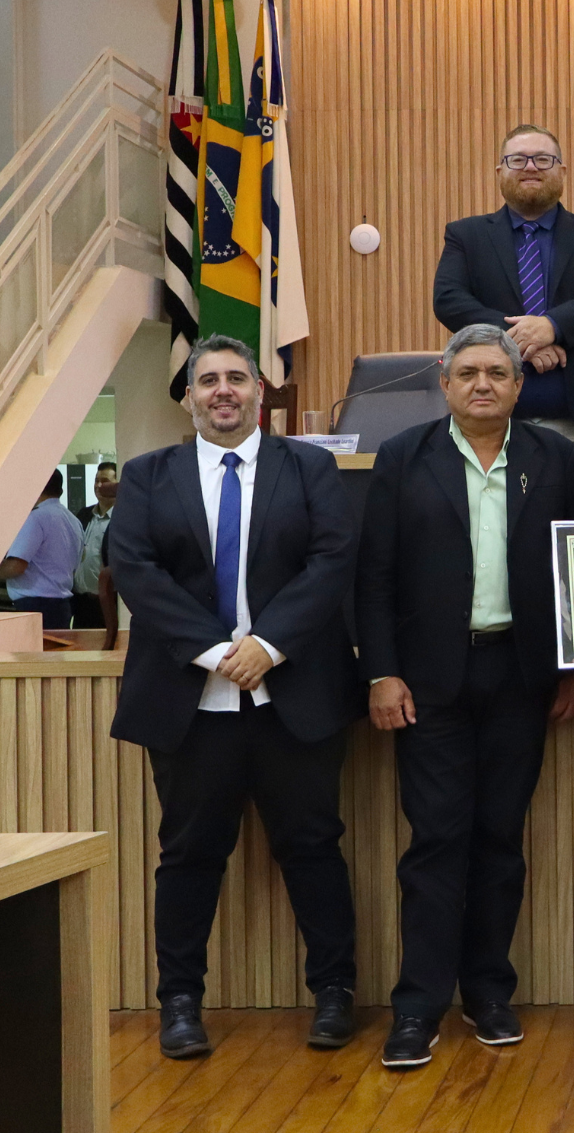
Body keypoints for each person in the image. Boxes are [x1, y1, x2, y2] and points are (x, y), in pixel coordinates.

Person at [107, 334, 363, 1059]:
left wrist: (268, 644)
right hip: (191, 706)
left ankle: (335, 992)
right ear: (188, 397)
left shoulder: (309, 468)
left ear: (259, 391)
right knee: (188, 854)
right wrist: (221, 652)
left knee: (314, 847)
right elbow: (136, 571)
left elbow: (332, 558)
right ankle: (180, 1004)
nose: (222, 390)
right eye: (207, 380)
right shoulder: (149, 475)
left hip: (294, 700)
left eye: (235, 378)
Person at [357, 324, 574, 1070]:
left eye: (498, 371)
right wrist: (381, 672)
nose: (483, 383)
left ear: (519, 386)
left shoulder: (554, 457)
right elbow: (374, 578)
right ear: (445, 382)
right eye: (469, 372)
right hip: (429, 684)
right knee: (434, 844)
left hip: (522, 677)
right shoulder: (403, 459)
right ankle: (418, 1006)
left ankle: (489, 992)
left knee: (498, 840)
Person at [433, 123, 574, 476]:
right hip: (489, 425)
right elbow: (449, 299)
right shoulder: (466, 235)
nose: (530, 167)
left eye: (543, 159)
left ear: (562, 170)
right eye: (518, 159)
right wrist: (522, 339)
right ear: (500, 171)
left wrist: (553, 326)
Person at [1, 472, 82, 630]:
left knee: (31, 655)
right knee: (55, 654)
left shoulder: (35, 518)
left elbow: (15, 566)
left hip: (34, 605)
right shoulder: (73, 520)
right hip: (61, 605)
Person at [72, 462, 116, 628]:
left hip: (108, 601)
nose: (98, 485)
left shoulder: (124, 517)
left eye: (104, 481)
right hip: (80, 601)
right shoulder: (84, 514)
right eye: (96, 480)